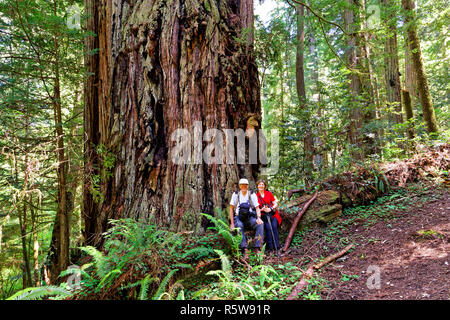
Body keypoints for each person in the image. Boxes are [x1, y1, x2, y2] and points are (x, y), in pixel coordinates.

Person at [229, 178, 264, 257]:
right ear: (239, 186)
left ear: (248, 186)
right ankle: (245, 249)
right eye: (242, 185)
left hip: (249, 217)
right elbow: (231, 208)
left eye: (246, 185)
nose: (244, 186)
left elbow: (257, 208)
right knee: (239, 226)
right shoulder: (236, 194)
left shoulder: (251, 194)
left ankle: (258, 248)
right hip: (238, 217)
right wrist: (232, 223)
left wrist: (258, 218)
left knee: (260, 224)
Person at [255, 179, 282, 254]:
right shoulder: (256, 196)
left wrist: (271, 208)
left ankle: (277, 247)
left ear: (265, 186)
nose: (261, 186)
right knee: (268, 228)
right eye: (259, 184)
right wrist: (262, 209)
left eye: (262, 184)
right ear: (257, 186)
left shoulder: (269, 193)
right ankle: (271, 249)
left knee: (274, 226)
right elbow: (256, 209)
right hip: (264, 216)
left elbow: (275, 203)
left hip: (273, 215)